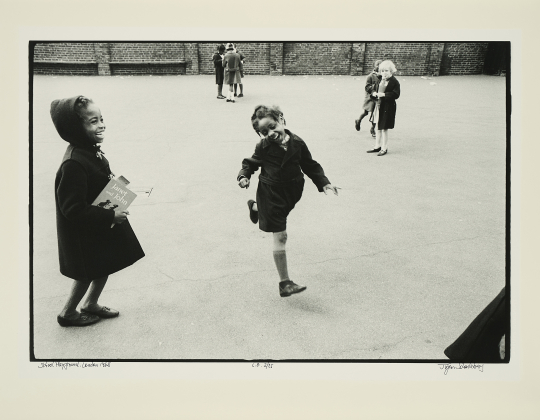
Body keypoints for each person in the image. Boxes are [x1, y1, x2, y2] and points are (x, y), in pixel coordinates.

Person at [51, 95, 145, 327]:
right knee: (87, 273)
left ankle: (90, 303)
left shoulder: (89, 149)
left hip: (98, 225)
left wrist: (116, 192)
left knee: (103, 264)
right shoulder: (73, 163)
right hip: (85, 232)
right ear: (75, 128)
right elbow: (72, 209)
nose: (101, 124)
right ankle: (68, 313)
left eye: (101, 119)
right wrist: (111, 215)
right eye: (93, 121)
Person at [237, 105, 339, 297]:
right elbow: (250, 163)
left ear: (281, 119)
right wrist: (244, 176)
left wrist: (324, 183)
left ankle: (256, 207)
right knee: (281, 236)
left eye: (273, 126)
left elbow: (310, 165)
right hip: (270, 193)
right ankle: (285, 283)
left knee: (273, 216)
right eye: (264, 132)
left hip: (292, 192)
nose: (270, 133)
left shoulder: (298, 143)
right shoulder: (264, 147)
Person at [367, 60, 400, 156]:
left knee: (384, 128)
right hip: (379, 106)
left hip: (387, 108)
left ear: (391, 71)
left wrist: (384, 95)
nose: (384, 73)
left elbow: (396, 94)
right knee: (378, 126)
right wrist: (373, 93)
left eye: (386, 71)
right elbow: (374, 89)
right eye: (382, 71)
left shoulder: (394, 82)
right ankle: (377, 146)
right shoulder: (381, 79)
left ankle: (384, 147)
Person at [355, 59, 382, 138]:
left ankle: (372, 128)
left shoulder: (383, 76)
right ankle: (358, 120)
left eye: (380, 66)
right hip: (370, 98)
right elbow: (367, 87)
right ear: (374, 66)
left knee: (375, 114)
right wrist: (373, 90)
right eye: (377, 65)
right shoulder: (370, 76)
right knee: (366, 112)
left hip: (377, 98)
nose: (378, 67)